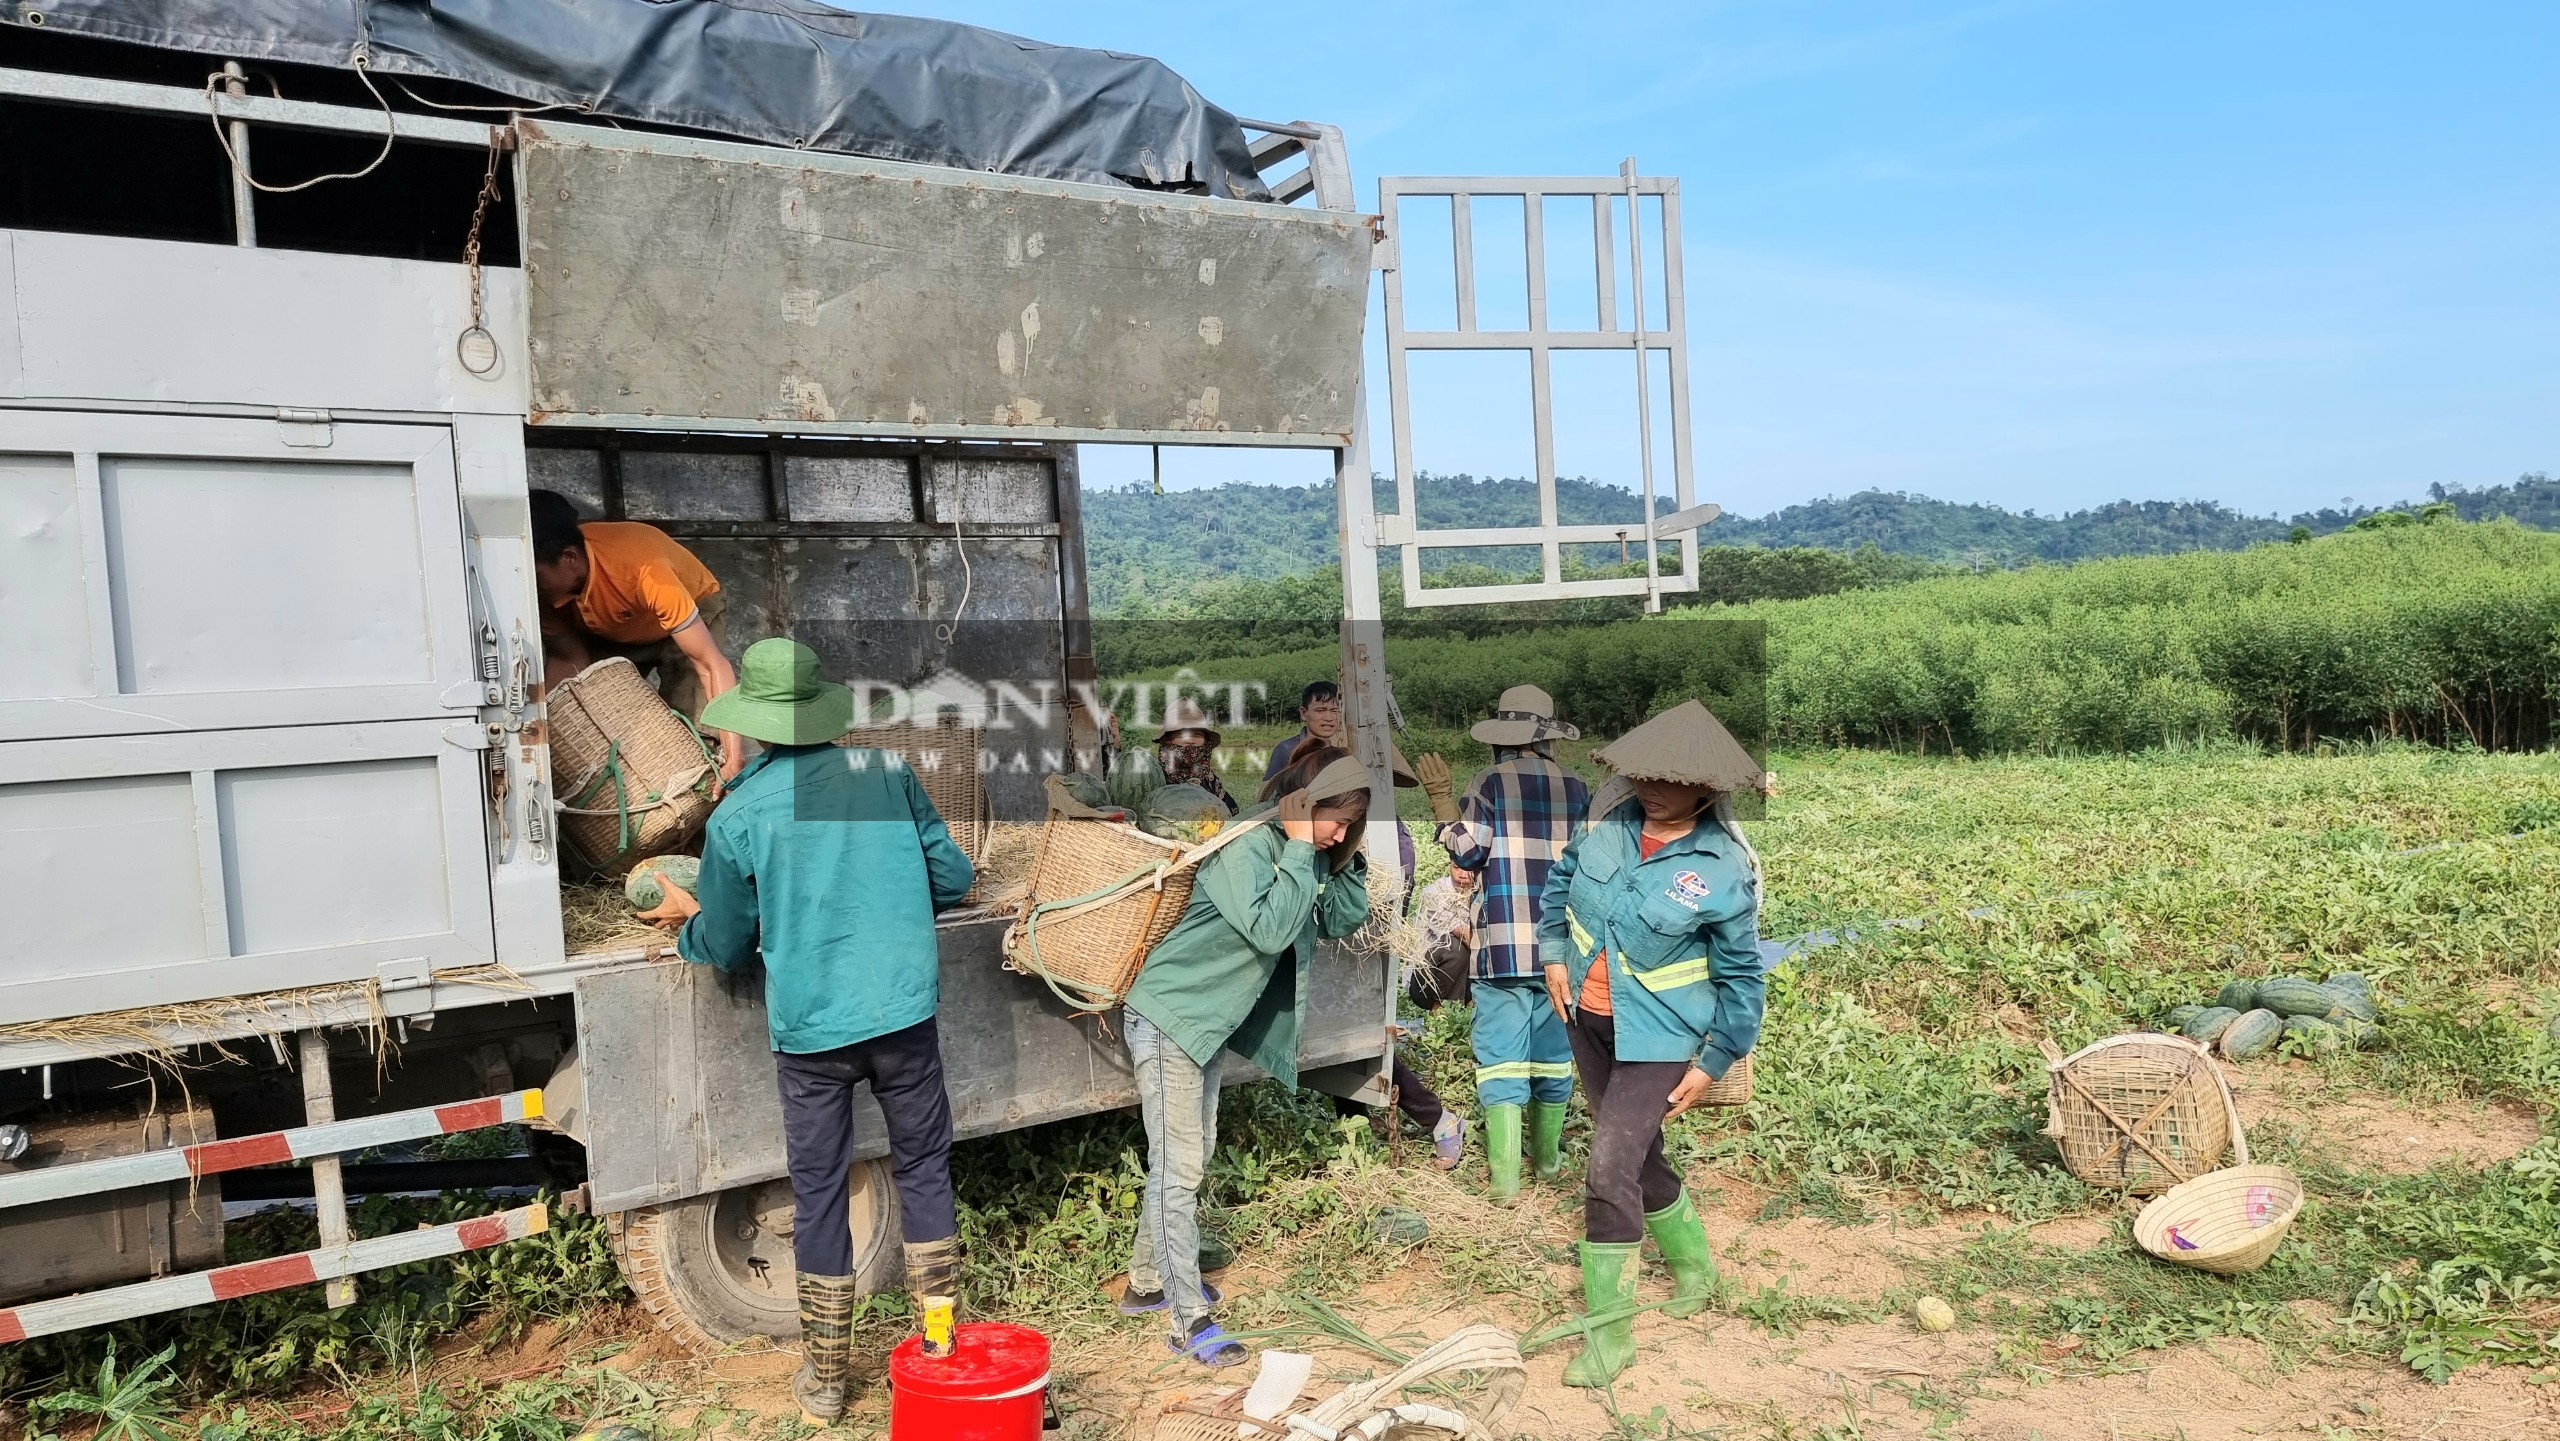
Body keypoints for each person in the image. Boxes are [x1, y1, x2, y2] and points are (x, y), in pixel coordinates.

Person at [652, 638, 977, 1425]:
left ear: (755, 724)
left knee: (822, 1191)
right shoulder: (887, 776)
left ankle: (828, 1382)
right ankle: (938, 1348)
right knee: (924, 1170)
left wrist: (683, 924)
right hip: (902, 1015)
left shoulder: (739, 816)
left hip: (813, 1036)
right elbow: (953, 877)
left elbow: (727, 942)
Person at [1119, 747, 1377, 1367]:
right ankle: (1188, 1321)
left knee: (1189, 1158)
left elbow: (1341, 919)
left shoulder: (1308, 852)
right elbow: (1269, 929)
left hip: (1205, 1024)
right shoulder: (1246, 846)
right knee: (1178, 1171)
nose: (1339, 833)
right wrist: (1299, 846)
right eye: (1334, 820)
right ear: (1303, 805)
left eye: (1350, 826)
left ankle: (1147, 1283)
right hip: (1170, 1019)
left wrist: (1337, 857)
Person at [1538, 699, 1768, 1388]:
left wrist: (1716, 1058)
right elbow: (1559, 885)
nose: (1648, 785)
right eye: (1641, 771)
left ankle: (1611, 1337)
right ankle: (1696, 1268)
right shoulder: (1607, 830)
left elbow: (1741, 975)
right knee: (1640, 1154)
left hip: (1661, 1036)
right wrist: (1554, 951)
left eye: (1667, 777)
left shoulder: (1723, 866)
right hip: (1588, 1019)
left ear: (1706, 788)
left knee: (1609, 1168)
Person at [1414, 685, 1588, 1205]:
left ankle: (1506, 1183)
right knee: (1555, 1056)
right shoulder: (1578, 788)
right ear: (1547, 738)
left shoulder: (1488, 782)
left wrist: (1445, 808)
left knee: (1501, 1062)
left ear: (1502, 739)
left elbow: (1467, 855)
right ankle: (1550, 1163)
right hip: (1561, 948)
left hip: (1504, 949)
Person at [531, 489, 746, 781]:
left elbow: (710, 665)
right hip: (616, 630)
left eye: (537, 576)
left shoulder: (643, 568)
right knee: (601, 724)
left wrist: (734, 756)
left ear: (569, 558)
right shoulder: (545, 593)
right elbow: (568, 658)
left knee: (695, 728)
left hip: (691, 614)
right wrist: (538, 736)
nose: (531, 585)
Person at [1155, 697, 1238, 813]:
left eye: (1198, 735)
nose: (1190, 740)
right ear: (1168, 740)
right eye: (1182, 734)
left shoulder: (1209, 779)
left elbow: (1231, 813)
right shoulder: (1155, 777)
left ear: (1206, 741)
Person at [1260, 680, 1343, 782]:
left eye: (1335, 711)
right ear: (1303, 713)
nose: (1329, 718)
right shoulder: (1287, 749)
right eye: (1320, 710)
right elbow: (1267, 794)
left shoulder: (1344, 748)